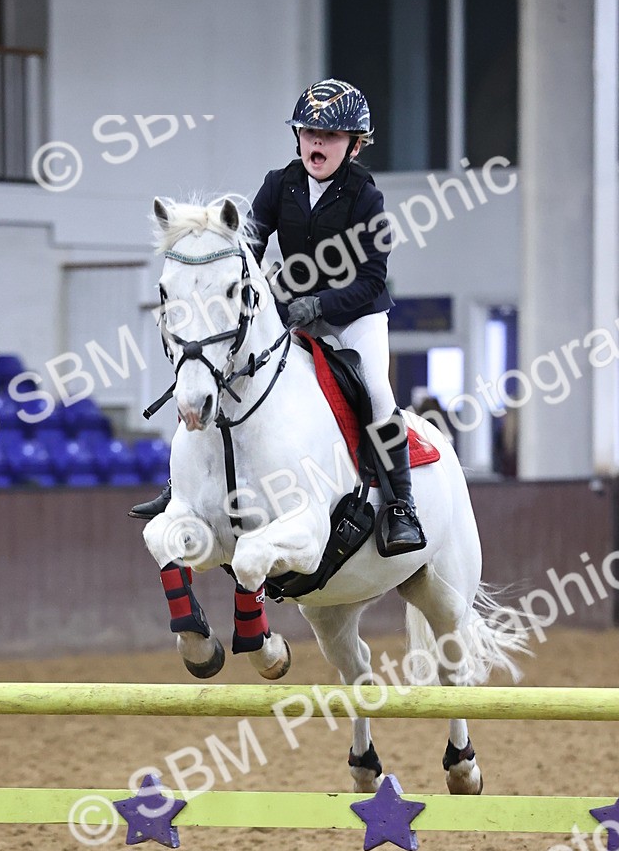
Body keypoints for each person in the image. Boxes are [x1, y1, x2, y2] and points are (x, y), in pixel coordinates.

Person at [130, 77, 423, 554]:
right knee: (222, 369)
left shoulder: (366, 198)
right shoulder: (279, 184)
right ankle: (182, 488)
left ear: (353, 145)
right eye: (309, 133)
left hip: (355, 316)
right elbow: (245, 249)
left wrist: (319, 305)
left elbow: (372, 280)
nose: (316, 143)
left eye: (328, 136)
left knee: (376, 390)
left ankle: (401, 505)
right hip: (292, 313)